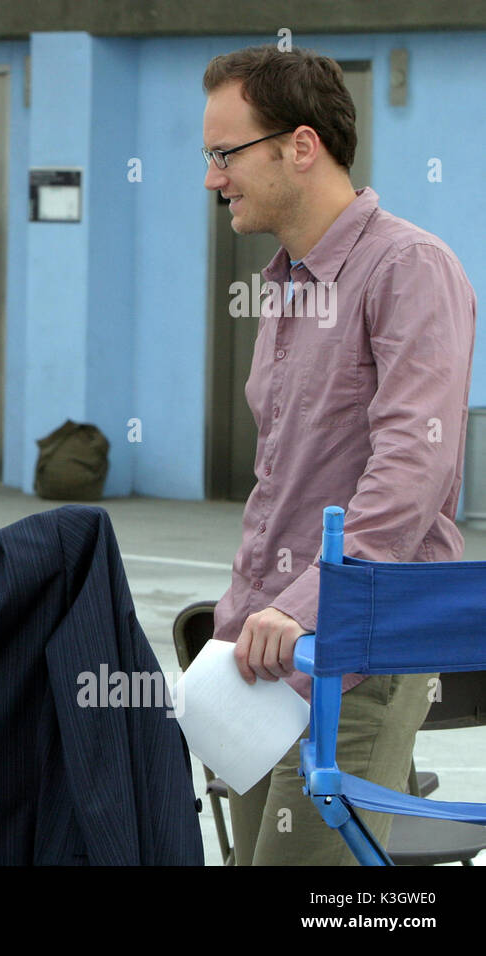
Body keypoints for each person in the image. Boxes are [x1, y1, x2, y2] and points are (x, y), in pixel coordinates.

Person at [203, 45, 476, 865]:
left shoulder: (408, 268)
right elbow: (283, 482)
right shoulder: (289, 284)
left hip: (352, 652)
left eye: (225, 154)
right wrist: (242, 620)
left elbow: (412, 468)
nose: (214, 178)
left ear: (301, 145)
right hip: (262, 656)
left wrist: (308, 605)